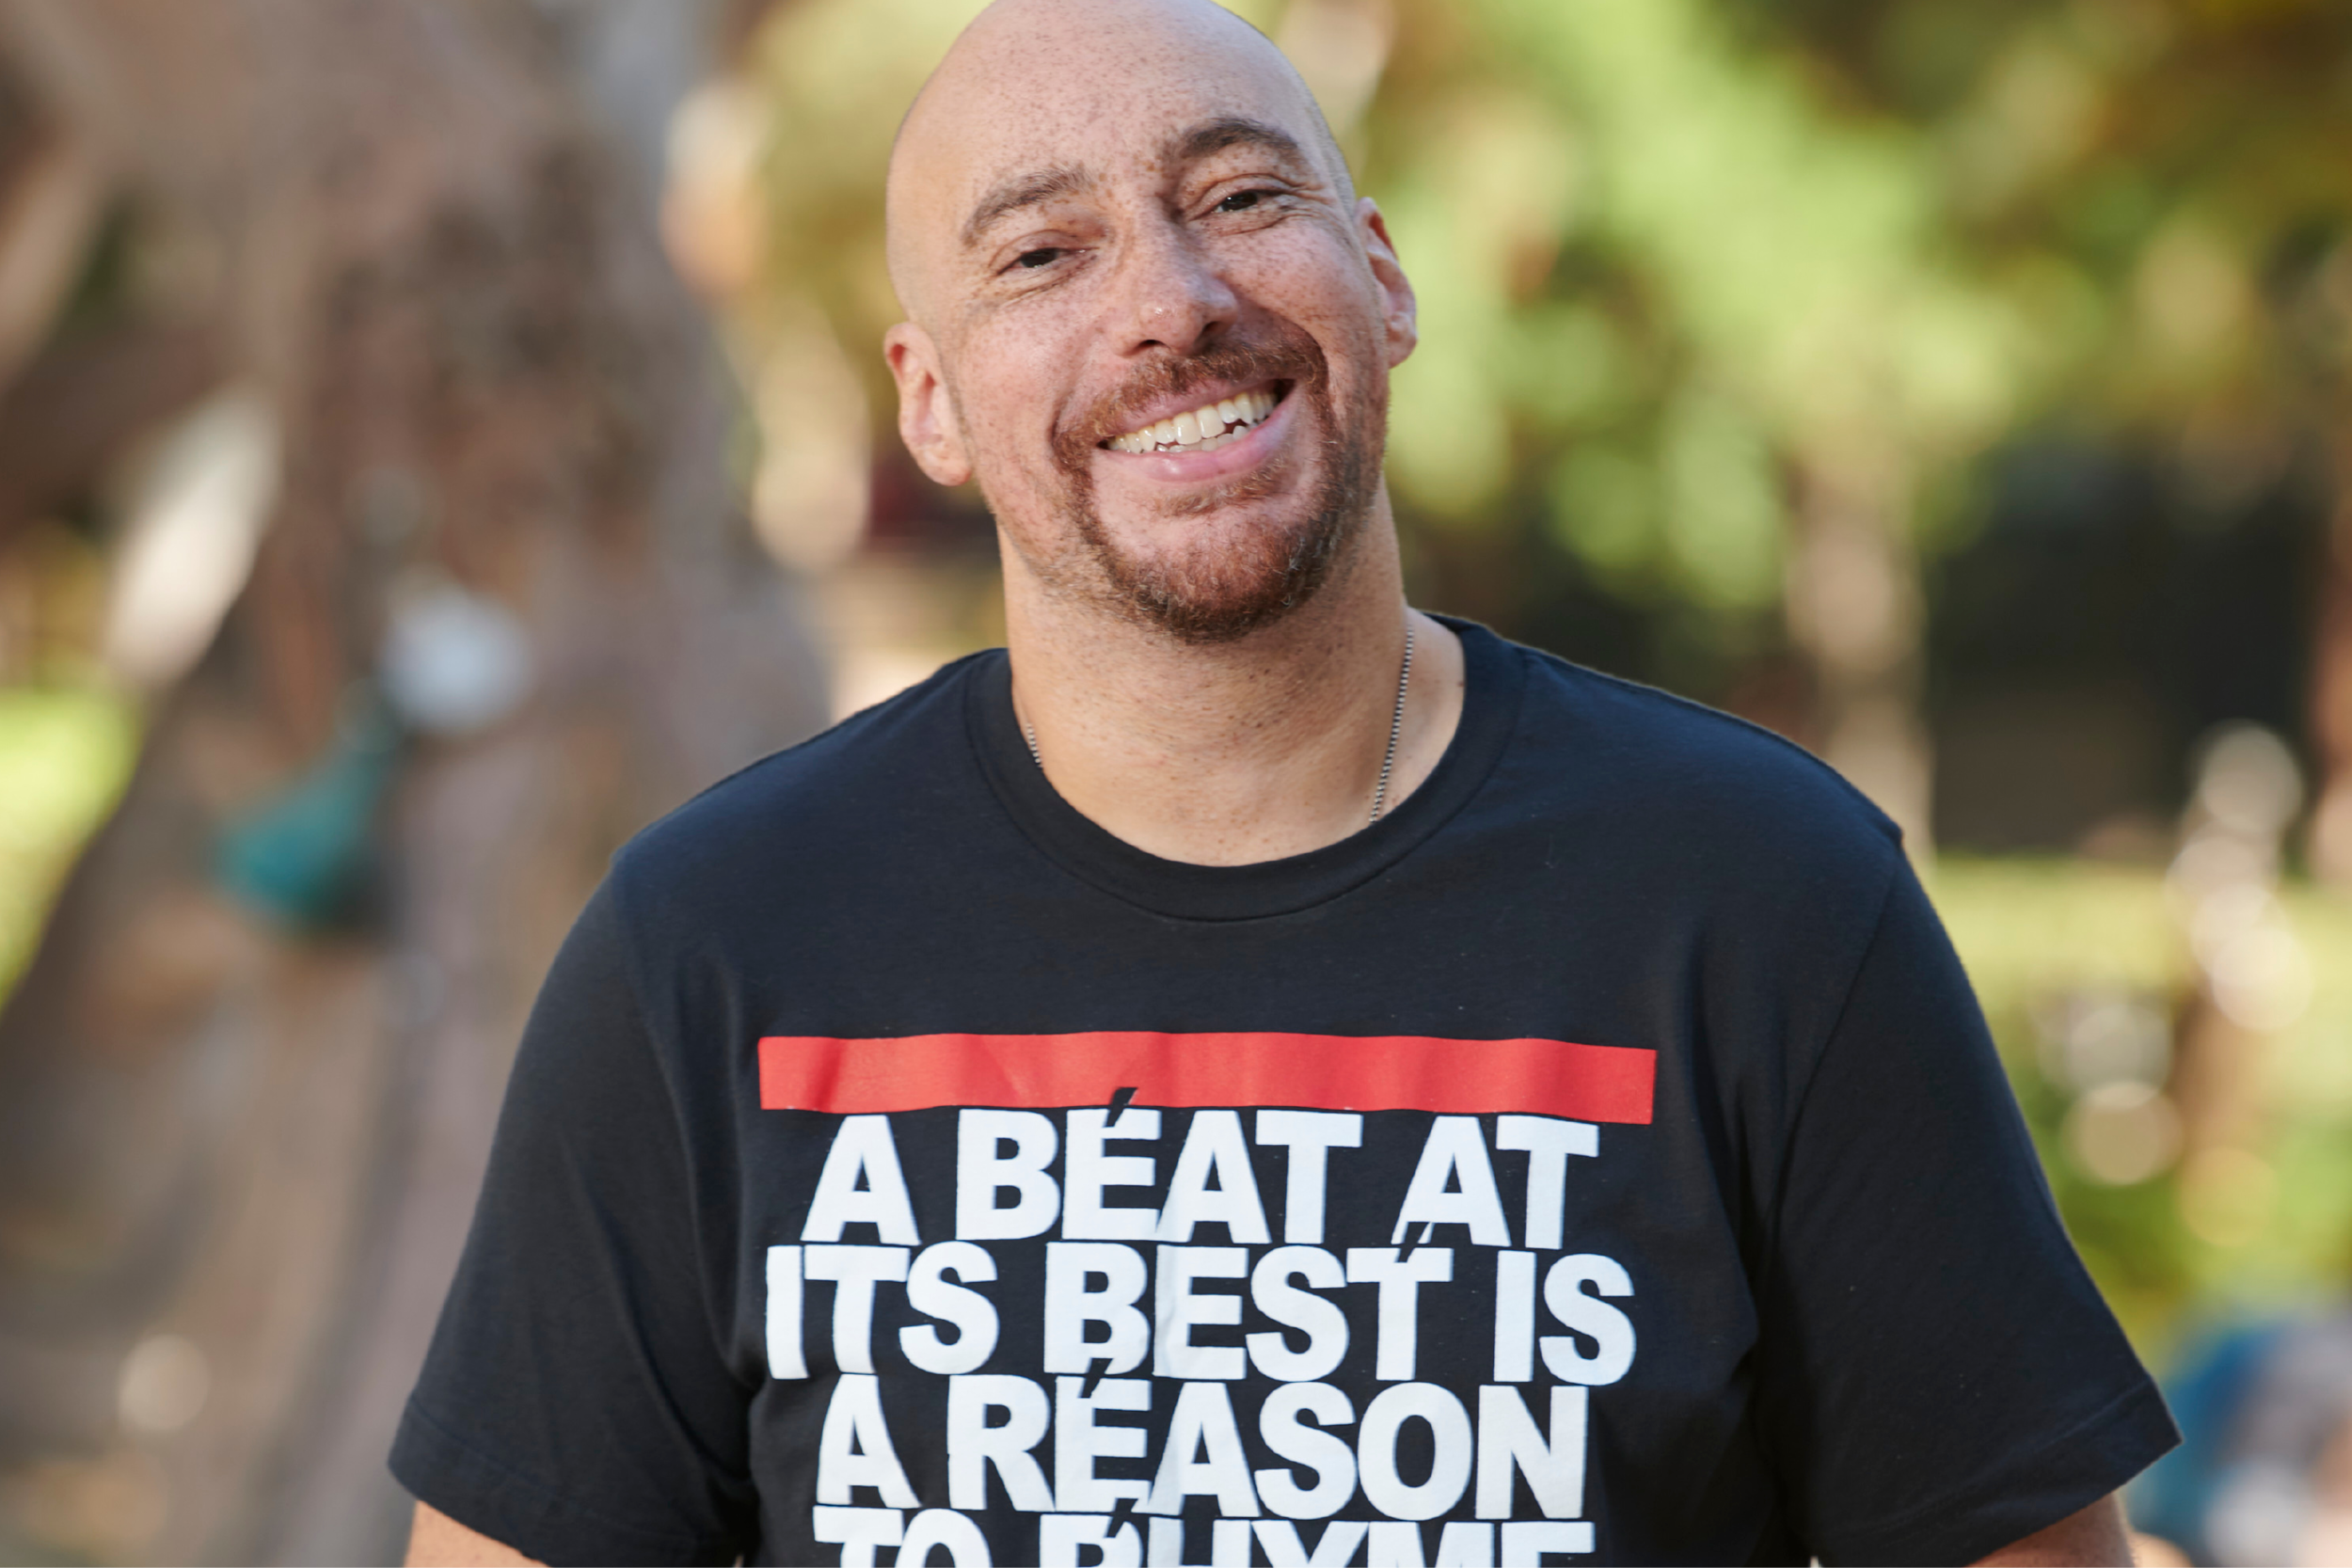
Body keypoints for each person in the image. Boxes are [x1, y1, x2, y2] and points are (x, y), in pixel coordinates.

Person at [391, 1, 2178, 1564]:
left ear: (1384, 276)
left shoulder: (1765, 898)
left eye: (1243, 197)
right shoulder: (718, 944)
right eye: (1039, 254)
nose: (1171, 304)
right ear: (929, 405)